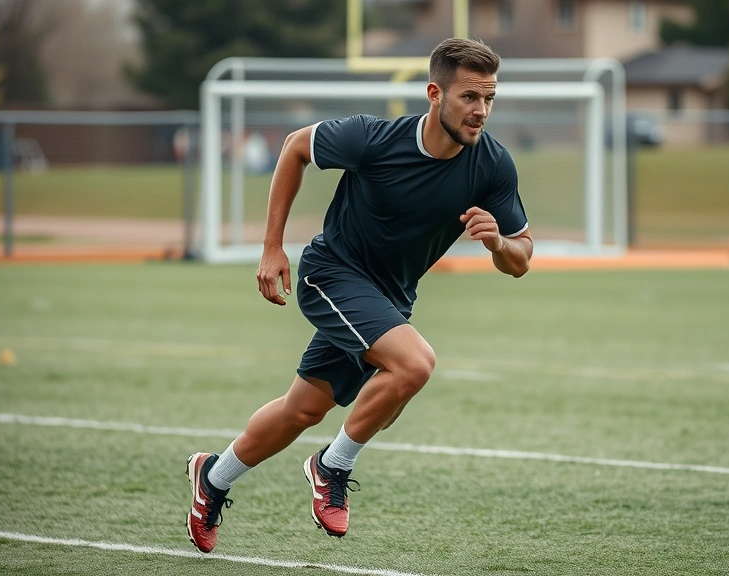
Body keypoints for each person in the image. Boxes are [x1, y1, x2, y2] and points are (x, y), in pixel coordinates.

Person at [185, 37, 533, 554]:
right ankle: (332, 465)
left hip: (389, 300)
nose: (480, 110)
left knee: (301, 411)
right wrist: (272, 247)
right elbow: (294, 149)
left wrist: (498, 241)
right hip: (331, 274)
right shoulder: (371, 138)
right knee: (414, 365)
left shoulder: (493, 165)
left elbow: (521, 259)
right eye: (469, 97)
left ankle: (214, 476)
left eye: (489, 98)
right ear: (435, 93)